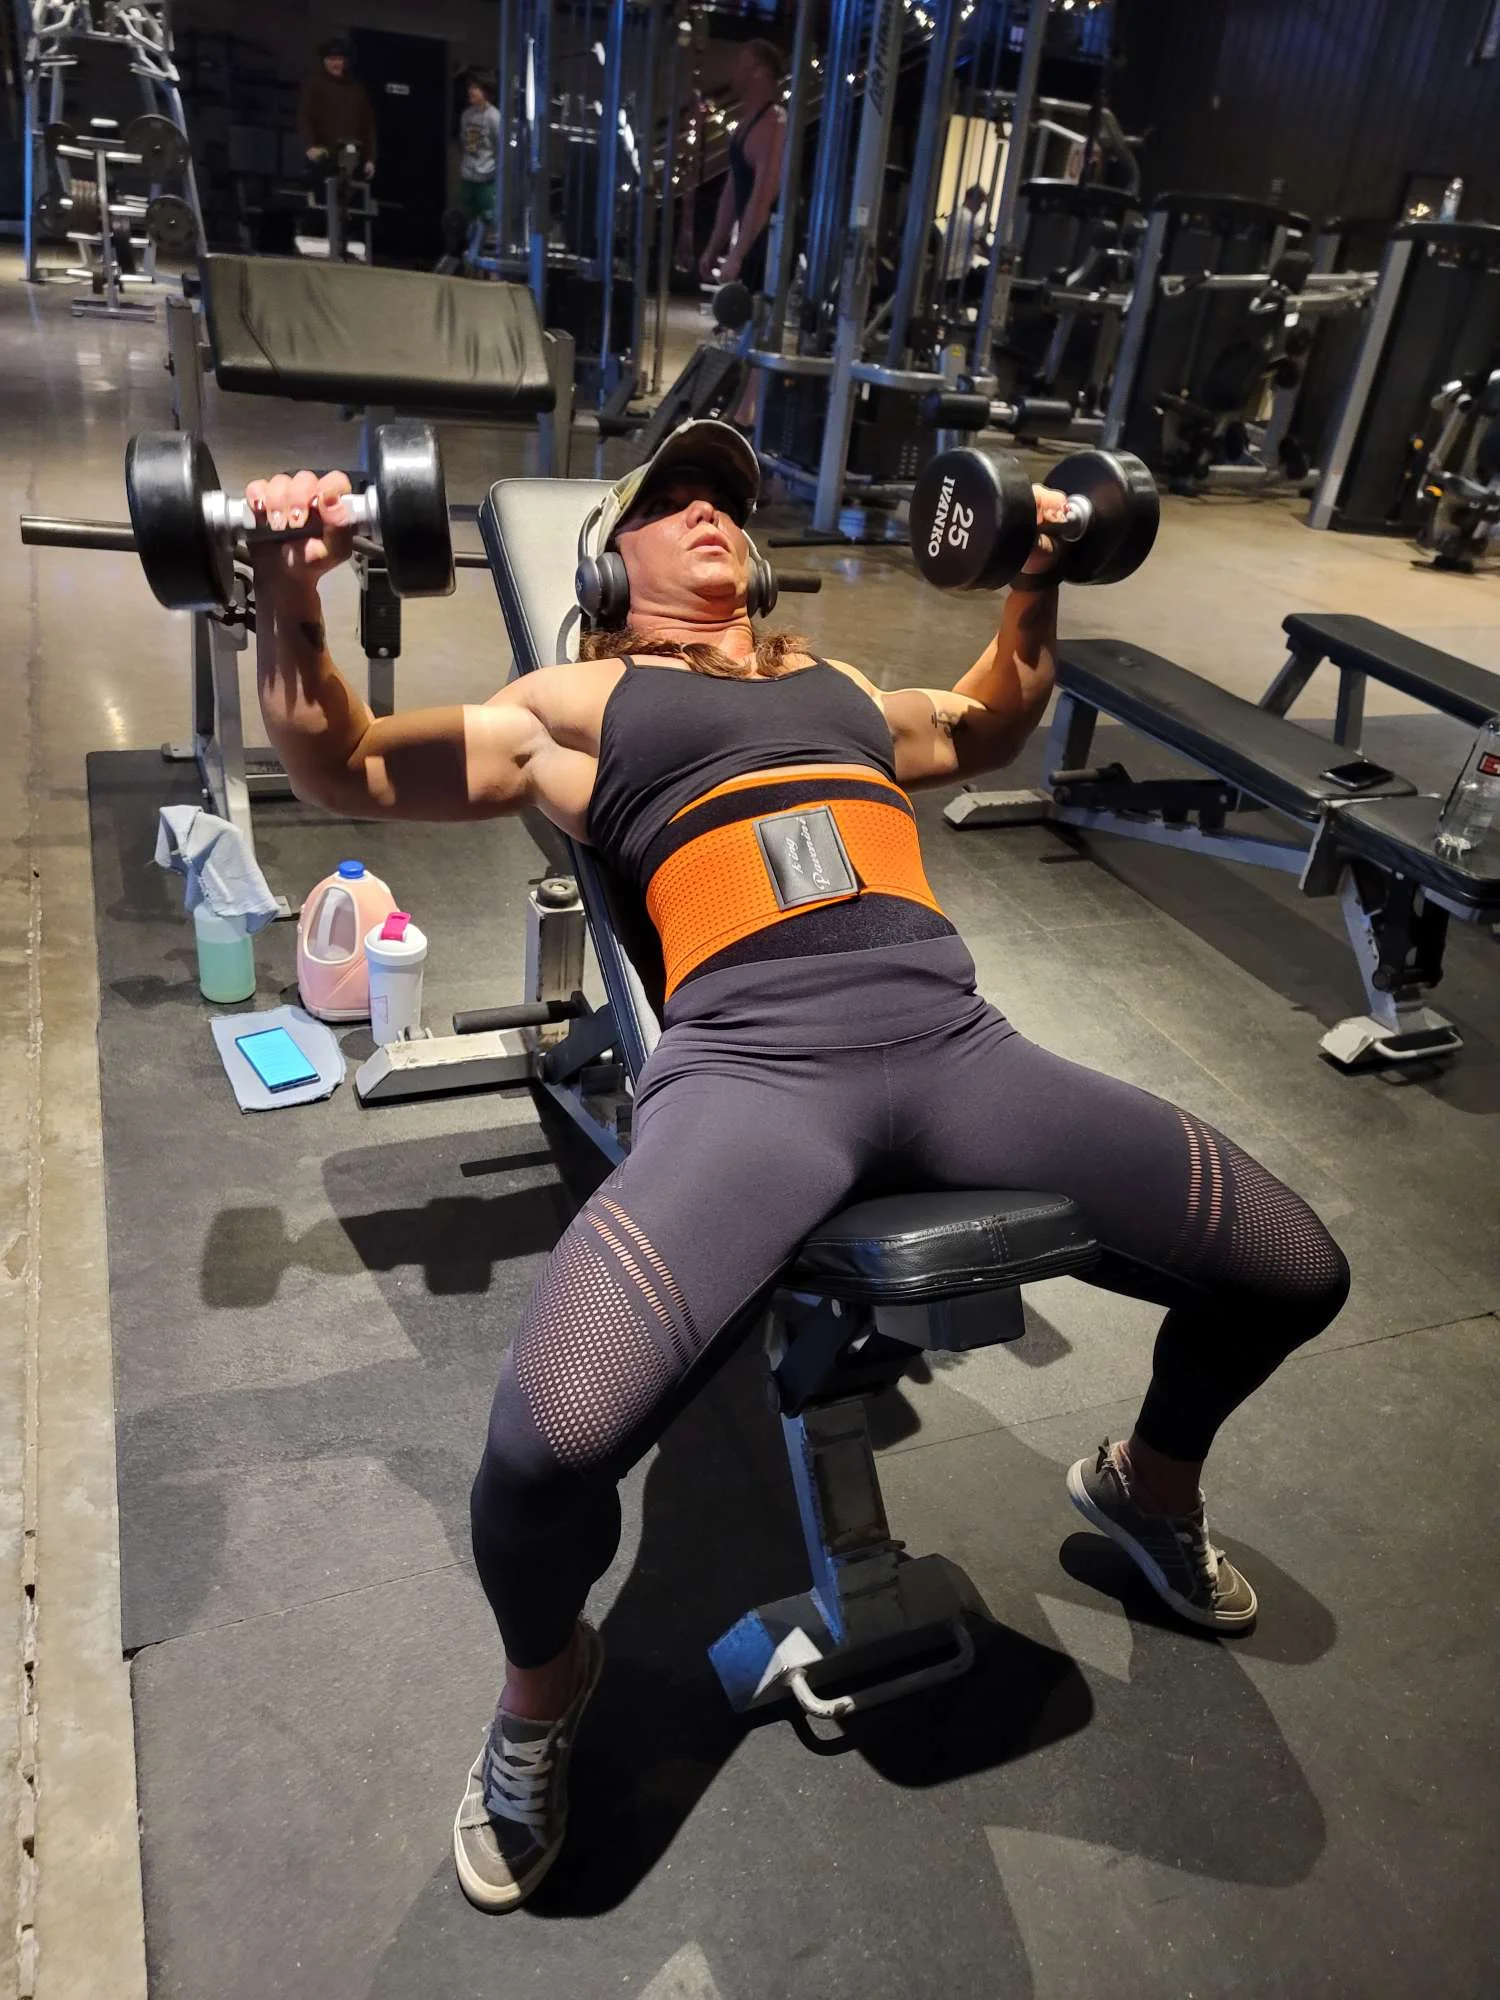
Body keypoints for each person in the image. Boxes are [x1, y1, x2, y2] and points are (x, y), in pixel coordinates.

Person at [245, 419, 1350, 1915]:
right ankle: (543, 1689)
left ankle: (1144, 1488)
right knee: (542, 1449)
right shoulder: (575, 702)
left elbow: (983, 726)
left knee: (1295, 1270)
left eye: (728, 499)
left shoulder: (837, 689)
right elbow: (352, 762)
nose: (712, 510)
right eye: (673, 498)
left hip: (961, 1049)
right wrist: (289, 594)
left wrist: (1038, 571)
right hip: (753, 1082)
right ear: (607, 564)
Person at [697, 40, 787, 294]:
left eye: (741, 65)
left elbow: (763, 195)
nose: (734, 72)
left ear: (759, 72)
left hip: (770, 251)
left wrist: (737, 254)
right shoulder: (746, 125)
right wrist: (715, 246)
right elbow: (731, 192)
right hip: (754, 249)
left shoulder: (773, 122)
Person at [297, 36, 376, 189]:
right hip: (323, 150)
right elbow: (304, 116)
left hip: (349, 150)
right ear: (324, 61)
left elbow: (367, 126)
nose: (335, 63)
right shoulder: (314, 84)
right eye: (332, 59)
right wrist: (310, 145)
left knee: (345, 188)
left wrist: (370, 158)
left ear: (344, 61)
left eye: (339, 59)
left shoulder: (356, 90)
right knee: (322, 189)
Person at [456, 72, 501, 242]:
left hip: (486, 178)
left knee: (488, 219)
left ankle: (484, 248)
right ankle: (471, 248)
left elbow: (500, 146)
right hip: (468, 175)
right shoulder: (466, 115)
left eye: (475, 88)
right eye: (470, 87)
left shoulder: (494, 117)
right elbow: (463, 141)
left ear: (485, 91)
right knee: (469, 217)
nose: (471, 91)